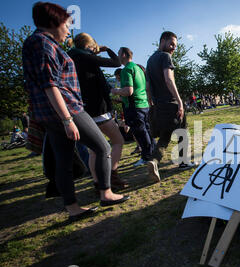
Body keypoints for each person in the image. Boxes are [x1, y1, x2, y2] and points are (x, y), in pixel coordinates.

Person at [22, 2, 129, 221]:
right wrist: (67, 118)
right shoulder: (43, 44)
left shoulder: (40, 43)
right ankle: (106, 193)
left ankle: (73, 208)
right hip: (66, 108)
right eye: (66, 24)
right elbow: (50, 84)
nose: (69, 30)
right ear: (54, 22)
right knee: (102, 147)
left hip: (51, 112)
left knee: (64, 159)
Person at [67, 33, 127, 191]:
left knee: (94, 150)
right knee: (118, 141)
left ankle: (97, 182)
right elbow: (116, 62)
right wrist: (106, 49)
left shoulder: (71, 57)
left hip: (83, 109)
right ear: (89, 46)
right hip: (97, 109)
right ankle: (111, 176)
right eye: (94, 46)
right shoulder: (85, 57)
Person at [146, 31, 192, 183]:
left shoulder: (150, 60)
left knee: (165, 136)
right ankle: (183, 162)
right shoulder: (165, 57)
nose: (173, 48)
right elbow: (169, 79)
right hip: (171, 102)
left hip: (159, 105)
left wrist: (151, 102)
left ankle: (154, 161)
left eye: (175, 45)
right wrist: (179, 101)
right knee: (182, 131)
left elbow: (147, 86)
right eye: (171, 44)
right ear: (163, 40)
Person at [111, 47, 156, 168]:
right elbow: (141, 88)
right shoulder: (138, 68)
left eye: (119, 54)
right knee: (146, 130)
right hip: (143, 104)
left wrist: (115, 91)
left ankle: (147, 157)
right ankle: (153, 152)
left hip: (134, 107)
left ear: (124, 55)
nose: (118, 56)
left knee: (140, 132)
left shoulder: (126, 70)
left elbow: (128, 91)